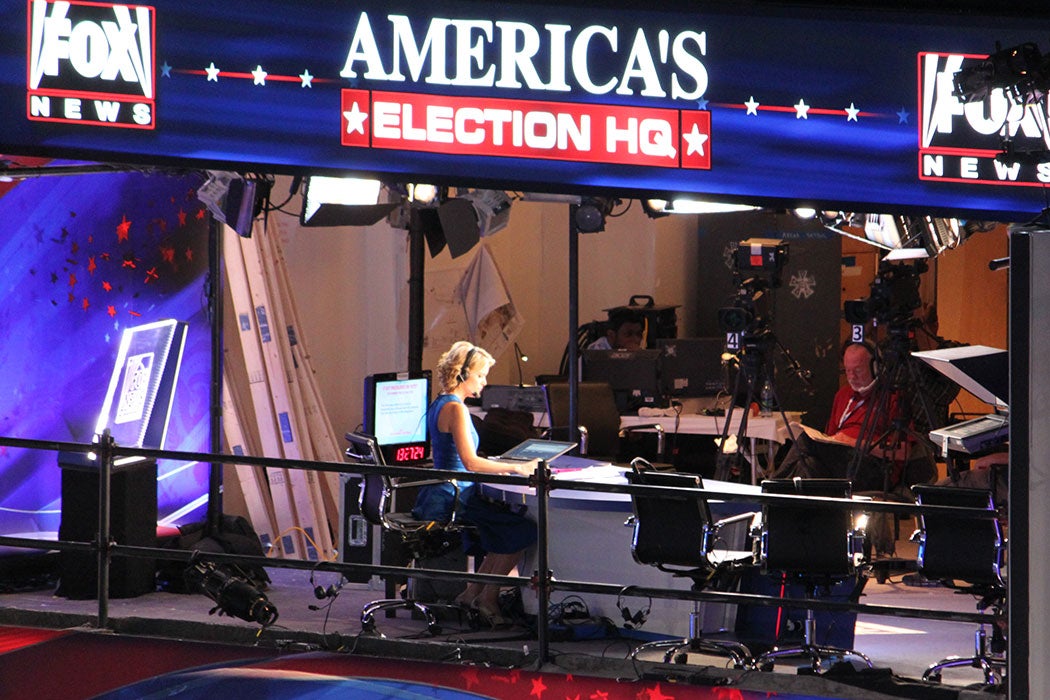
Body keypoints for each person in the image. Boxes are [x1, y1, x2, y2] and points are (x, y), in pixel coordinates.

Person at [411, 341, 540, 627]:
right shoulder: (457, 410)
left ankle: (472, 593)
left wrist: (497, 464)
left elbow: (458, 457)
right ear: (463, 374)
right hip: (454, 496)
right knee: (522, 529)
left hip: (446, 491)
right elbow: (470, 463)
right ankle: (488, 598)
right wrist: (517, 466)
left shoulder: (440, 403)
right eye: (480, 375)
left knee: (504, 530)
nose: (484, 382)